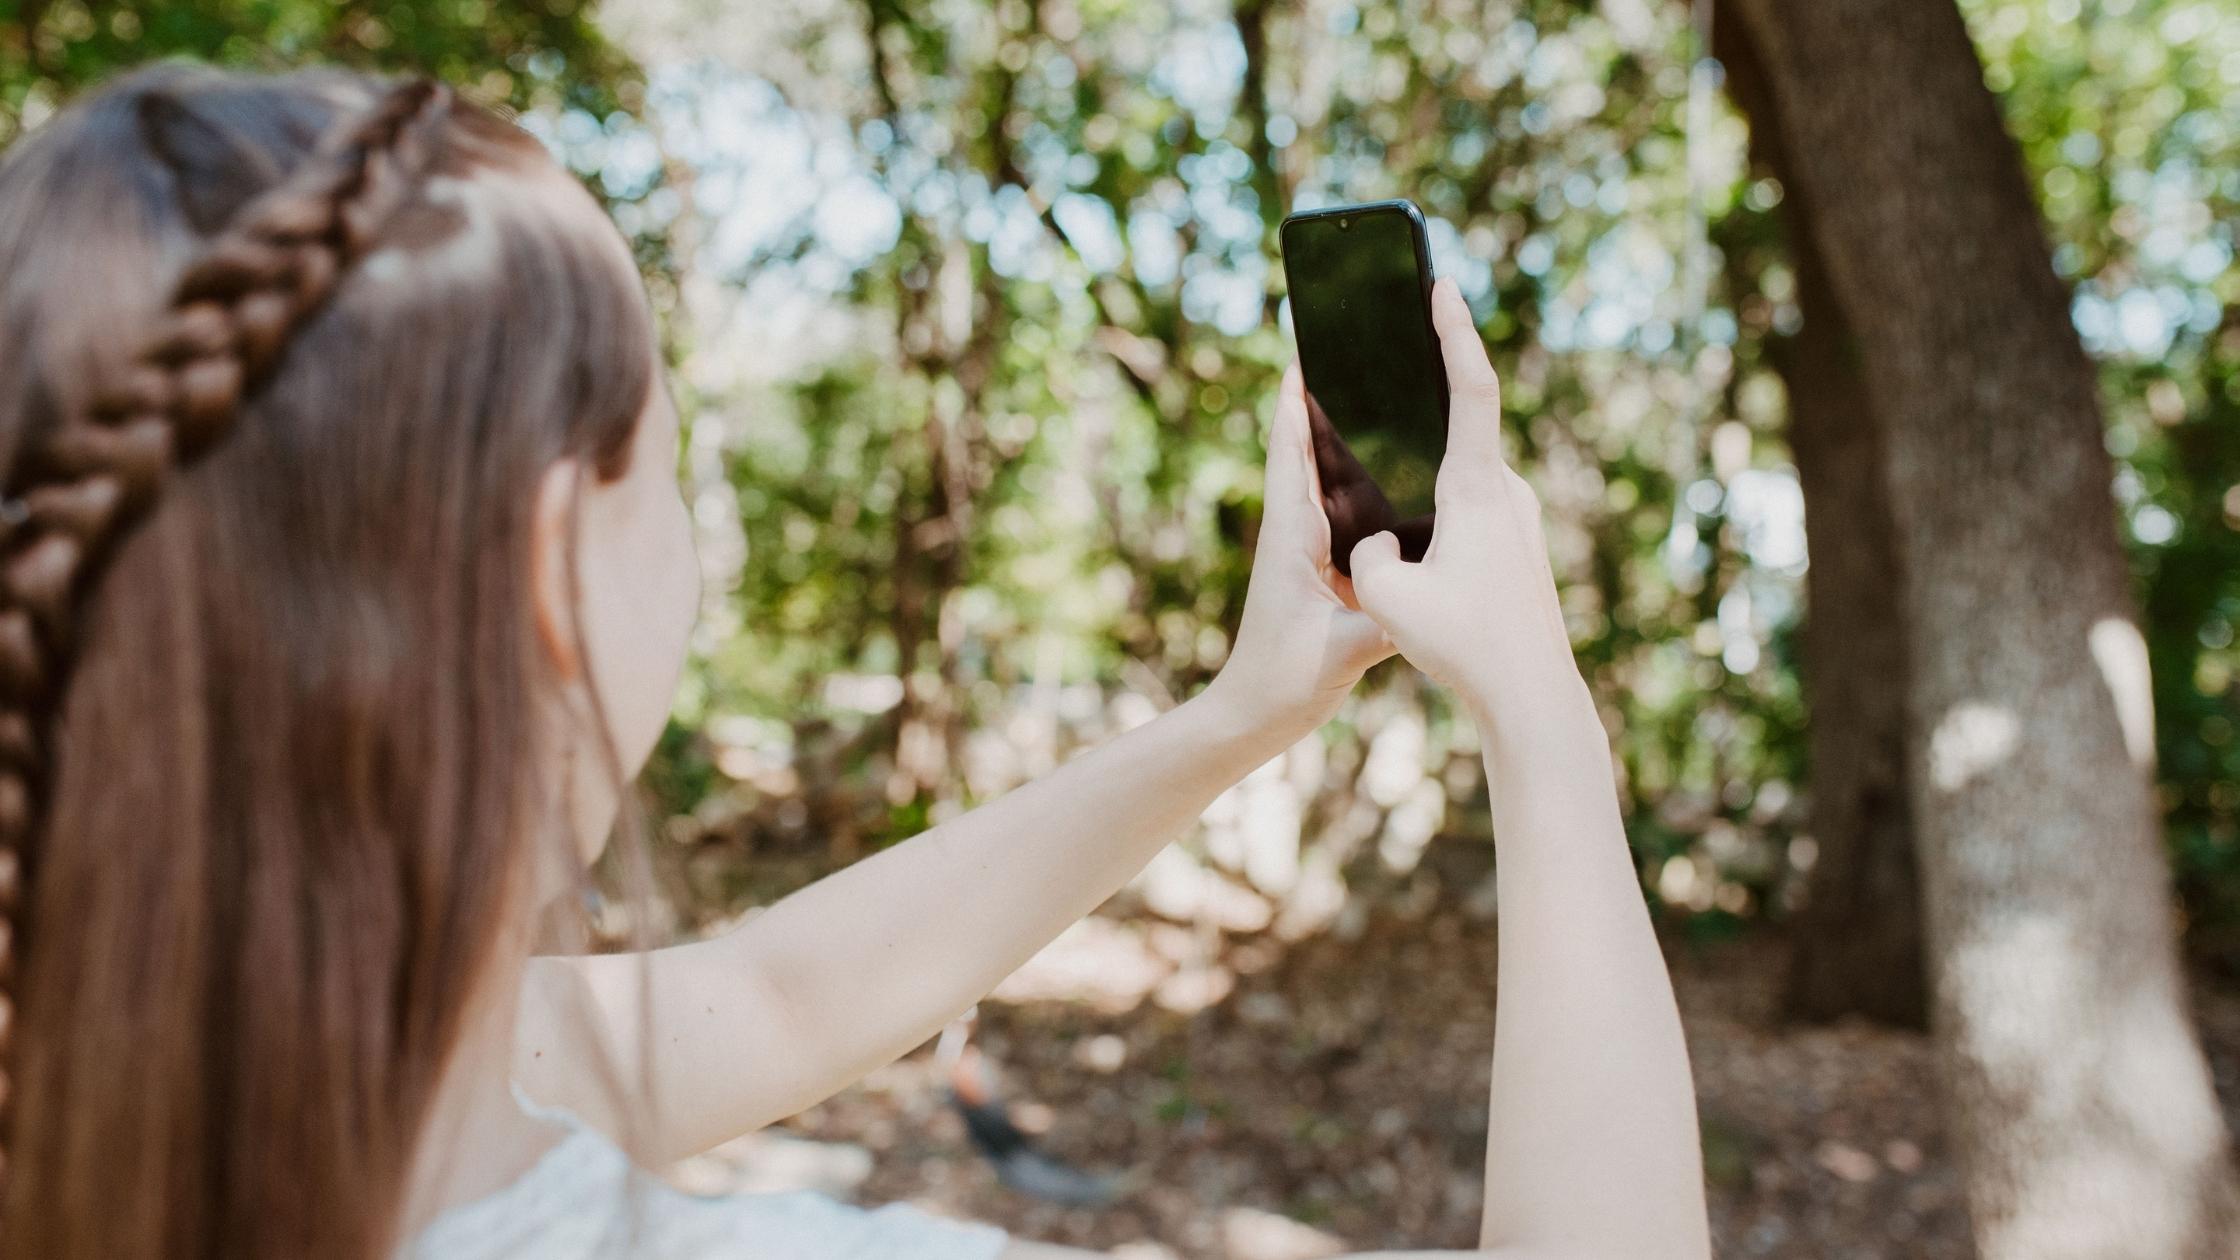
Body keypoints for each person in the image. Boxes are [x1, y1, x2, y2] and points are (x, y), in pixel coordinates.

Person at [0, 65, 1710, 1260]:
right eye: (674, 454)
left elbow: (772, 1001)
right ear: (549, 569)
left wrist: (1237, 719)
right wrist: (1541, 713)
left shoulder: (167, 1100)